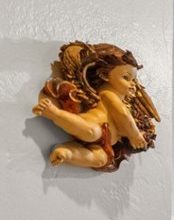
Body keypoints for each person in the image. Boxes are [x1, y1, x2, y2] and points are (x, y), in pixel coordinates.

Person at [32, 42, 159, 171]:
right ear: (104, 75)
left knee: (101, 159)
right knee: (91, 132)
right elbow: (123, 114)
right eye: (126, 78)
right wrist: (135, 135)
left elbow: (125, 122)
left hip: (105, 141)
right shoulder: (108, 94)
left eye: (134, 80)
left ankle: (66, 153)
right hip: (94, 124)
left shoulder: (127, 103)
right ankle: (54, 113)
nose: (133, 84)